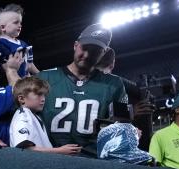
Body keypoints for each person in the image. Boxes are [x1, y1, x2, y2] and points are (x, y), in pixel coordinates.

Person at [38, 23, 127, 157]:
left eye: (94, 52)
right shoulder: (45, 78)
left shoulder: (114, 85)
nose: (86, 55)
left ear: (103, 52)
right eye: (84, 48)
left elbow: (121, 127)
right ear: (75, 45)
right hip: (49, 160)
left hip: (93, 163)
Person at [9, 76, 80, 154]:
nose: (43, 99)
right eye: (39, 94)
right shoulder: (23, 116)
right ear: (22, 99)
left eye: (44, 95)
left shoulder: (32, 115)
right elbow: (24, 149)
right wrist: (60, 151)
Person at [0, 4, 38, 77]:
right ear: (3, 27)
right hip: (13, 83)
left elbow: (29, 65)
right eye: (16, 22)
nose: (20, 25)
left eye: (20, 22)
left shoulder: (23, 43)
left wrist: (40, 75)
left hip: (27, 81)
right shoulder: (0, 43)